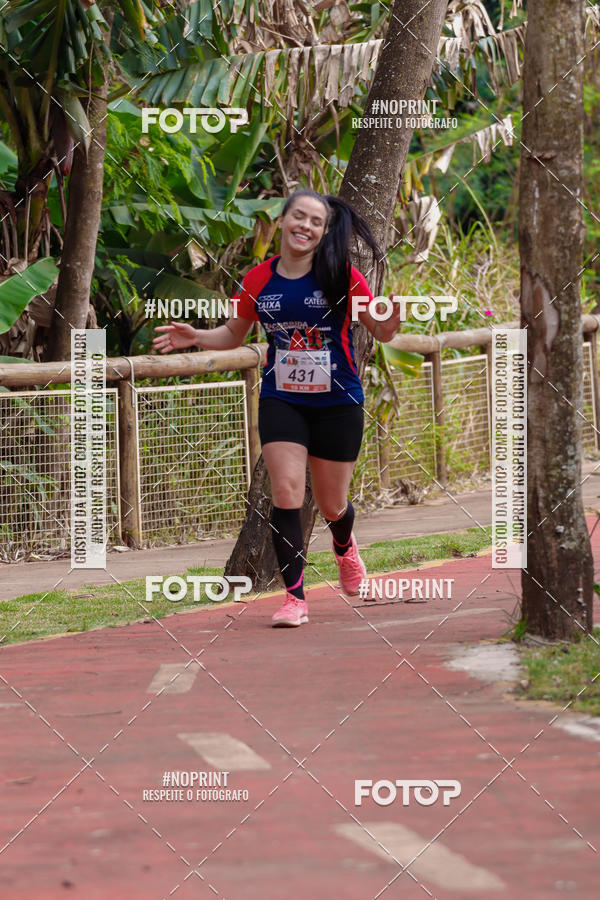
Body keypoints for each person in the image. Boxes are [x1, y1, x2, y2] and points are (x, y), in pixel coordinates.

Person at [153, 190, 401, 627]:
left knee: (331, 505)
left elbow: (378, 330)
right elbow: (234, 333)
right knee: (287, 493)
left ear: (324, 233)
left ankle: (344, 547)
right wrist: (194, 335)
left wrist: (391, 320)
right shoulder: (257, 279)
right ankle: (294, 598)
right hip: (281, 399)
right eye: (298, 217)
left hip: (337, 401)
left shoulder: (341, 276)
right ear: (283, 221)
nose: (305, 226)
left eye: (316, 222)